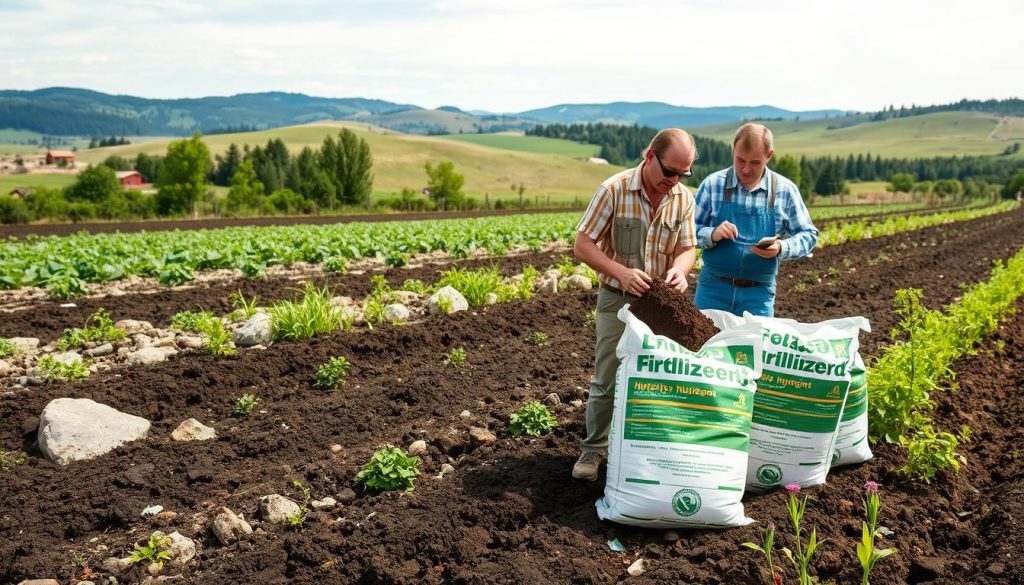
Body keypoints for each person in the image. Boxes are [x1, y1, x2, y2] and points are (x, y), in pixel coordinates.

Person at [571, 128, 698, 481]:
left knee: (661, 377)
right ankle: (593, 450)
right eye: (669, 171)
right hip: (618, 298)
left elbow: (687, 247)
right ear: (649, 156)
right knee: (608, 377)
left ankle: (647, 451)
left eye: (682, 175)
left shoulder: (683, 199)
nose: (673, 181)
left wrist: (679, 269)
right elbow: (583, 245)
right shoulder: (614, 190)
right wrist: (621, 273)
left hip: (662, 303)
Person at [693, 123, 818, 317]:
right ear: (733, 150)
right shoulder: (712, 185)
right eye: (740, 160)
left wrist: (781, 248)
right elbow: (687, 232)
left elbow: (809, 235)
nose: (746, 169)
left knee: (754, 347)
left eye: (755, 162)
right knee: (704, 345)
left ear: (769, 156)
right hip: (713, 289)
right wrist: (712, 234)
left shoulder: (785, 191)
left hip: (758, 294)